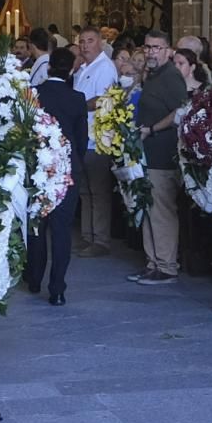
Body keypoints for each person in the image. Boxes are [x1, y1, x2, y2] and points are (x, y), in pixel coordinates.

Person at [128, 30, 189, 285]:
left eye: (157, 47)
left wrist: (152, 129)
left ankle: (166, 265)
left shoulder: (172, 76)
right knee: (148, 207)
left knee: (161, 209)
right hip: (146, 152)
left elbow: (179, 111)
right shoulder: (152, 75)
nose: (151, 52)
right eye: (148, 47)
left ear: (168, 50)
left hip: (162, 152)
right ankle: (153, 261)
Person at [28, 48, 87, 305]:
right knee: (62, 230)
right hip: (67, 167)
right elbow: (81, 139)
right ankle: (58, 288)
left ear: (49, 66)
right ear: (71, 69)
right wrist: (75, 161)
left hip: (38, 165)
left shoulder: (34, 94)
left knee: (37, 226)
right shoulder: (77, 98)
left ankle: (33, 277)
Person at [73, 25, 118, 257]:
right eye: (82, 41)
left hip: (98, 137)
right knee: (85, 190)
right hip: (83, 136)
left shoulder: (105, 67)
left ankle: (100, 239)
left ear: (100, 43)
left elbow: (103, 98)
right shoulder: (83, 67)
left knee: (98, 191)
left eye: (89, 41)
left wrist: (75, 107)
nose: (84, 45)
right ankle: (87, 236)